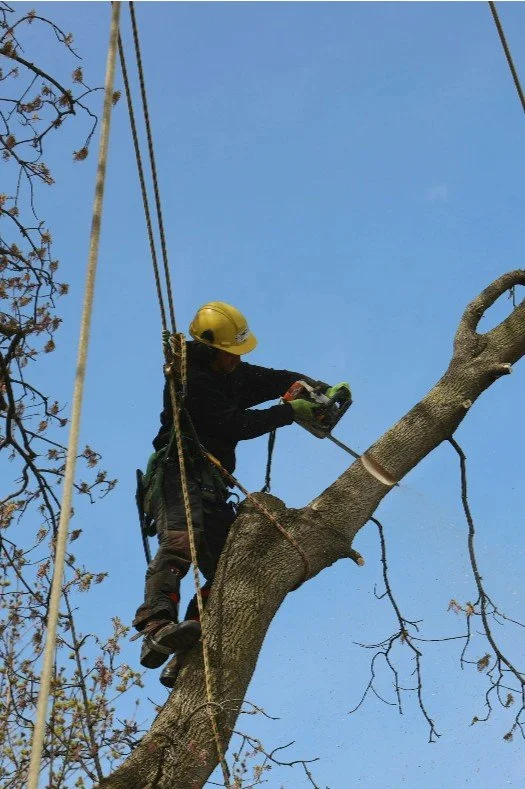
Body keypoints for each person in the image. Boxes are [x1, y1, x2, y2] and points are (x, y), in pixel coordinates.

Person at [132, 301, 347, 688]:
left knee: (231, 568)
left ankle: (187, 649)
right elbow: (236, 425)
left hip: (213, 486)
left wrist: (313, 388)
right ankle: (156, 627)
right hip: (177, 470)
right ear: (210, 349)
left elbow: (275, 379)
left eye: (237, 356)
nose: (234, 362)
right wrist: (289, 411)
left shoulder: (230, 372)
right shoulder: (190, 380)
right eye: (228, 356)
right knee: (181, 542)